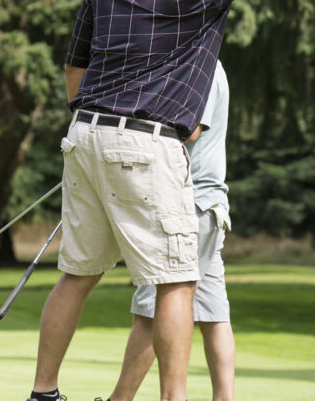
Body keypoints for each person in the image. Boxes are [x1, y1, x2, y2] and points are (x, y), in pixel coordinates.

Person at [28, 0, 315, 401]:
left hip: (85, 134)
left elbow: (76, 66)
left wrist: (96, 128)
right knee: (176, 280)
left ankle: (43, 392)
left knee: (78, 271)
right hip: (145, 145)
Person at [101, 60, 235, 401]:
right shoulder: (205, 63)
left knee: (152, 309)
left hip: (188, 206)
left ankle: (121, 398)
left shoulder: (199, 67)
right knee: (212, 313)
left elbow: (189, 131)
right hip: (206, 205)